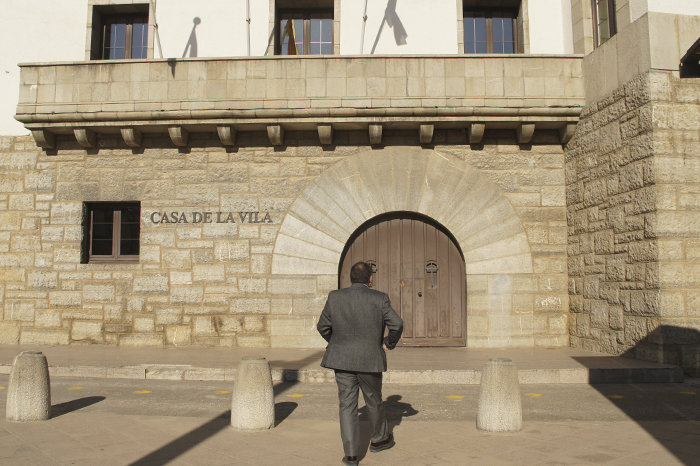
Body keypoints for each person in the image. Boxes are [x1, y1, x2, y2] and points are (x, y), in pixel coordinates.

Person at [317, 261, 404, 465]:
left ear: (350, 278)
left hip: (342, 359)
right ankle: (379, 440)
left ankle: (351, 455)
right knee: (373, 400)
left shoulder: (335, 297)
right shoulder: (379, 298)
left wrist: (337, 343)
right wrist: (388, 343)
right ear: (370, 279)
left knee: (347, 404)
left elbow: (322, 326)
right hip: (370, 359)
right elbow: (397, 324)